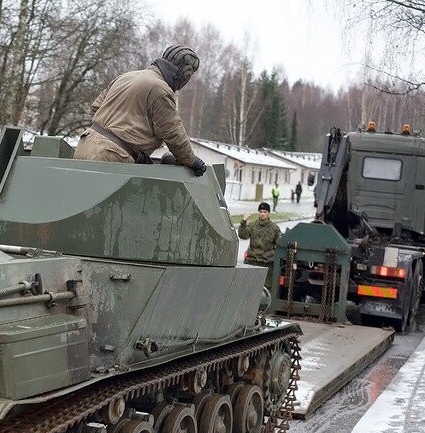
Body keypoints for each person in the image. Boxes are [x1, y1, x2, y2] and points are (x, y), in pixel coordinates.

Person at [73, 44, 207, 177]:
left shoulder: (126, 76)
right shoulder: (160, 90)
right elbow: (173, 133)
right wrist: (190, 160)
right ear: (185, 74)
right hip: (111, 157)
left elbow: (97, 107)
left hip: (84, 146)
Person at [238, 202, 282, 290]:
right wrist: (243, 222)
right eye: (261, 211)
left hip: (266, 263)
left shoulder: (274, 228)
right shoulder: (253, 225)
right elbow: (243, 235)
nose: (262, 214)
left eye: (265, 212)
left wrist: (270, 254)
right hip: (252, 261)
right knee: (248, 286)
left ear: (268, 213)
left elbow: (279, 246)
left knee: (265, 288)